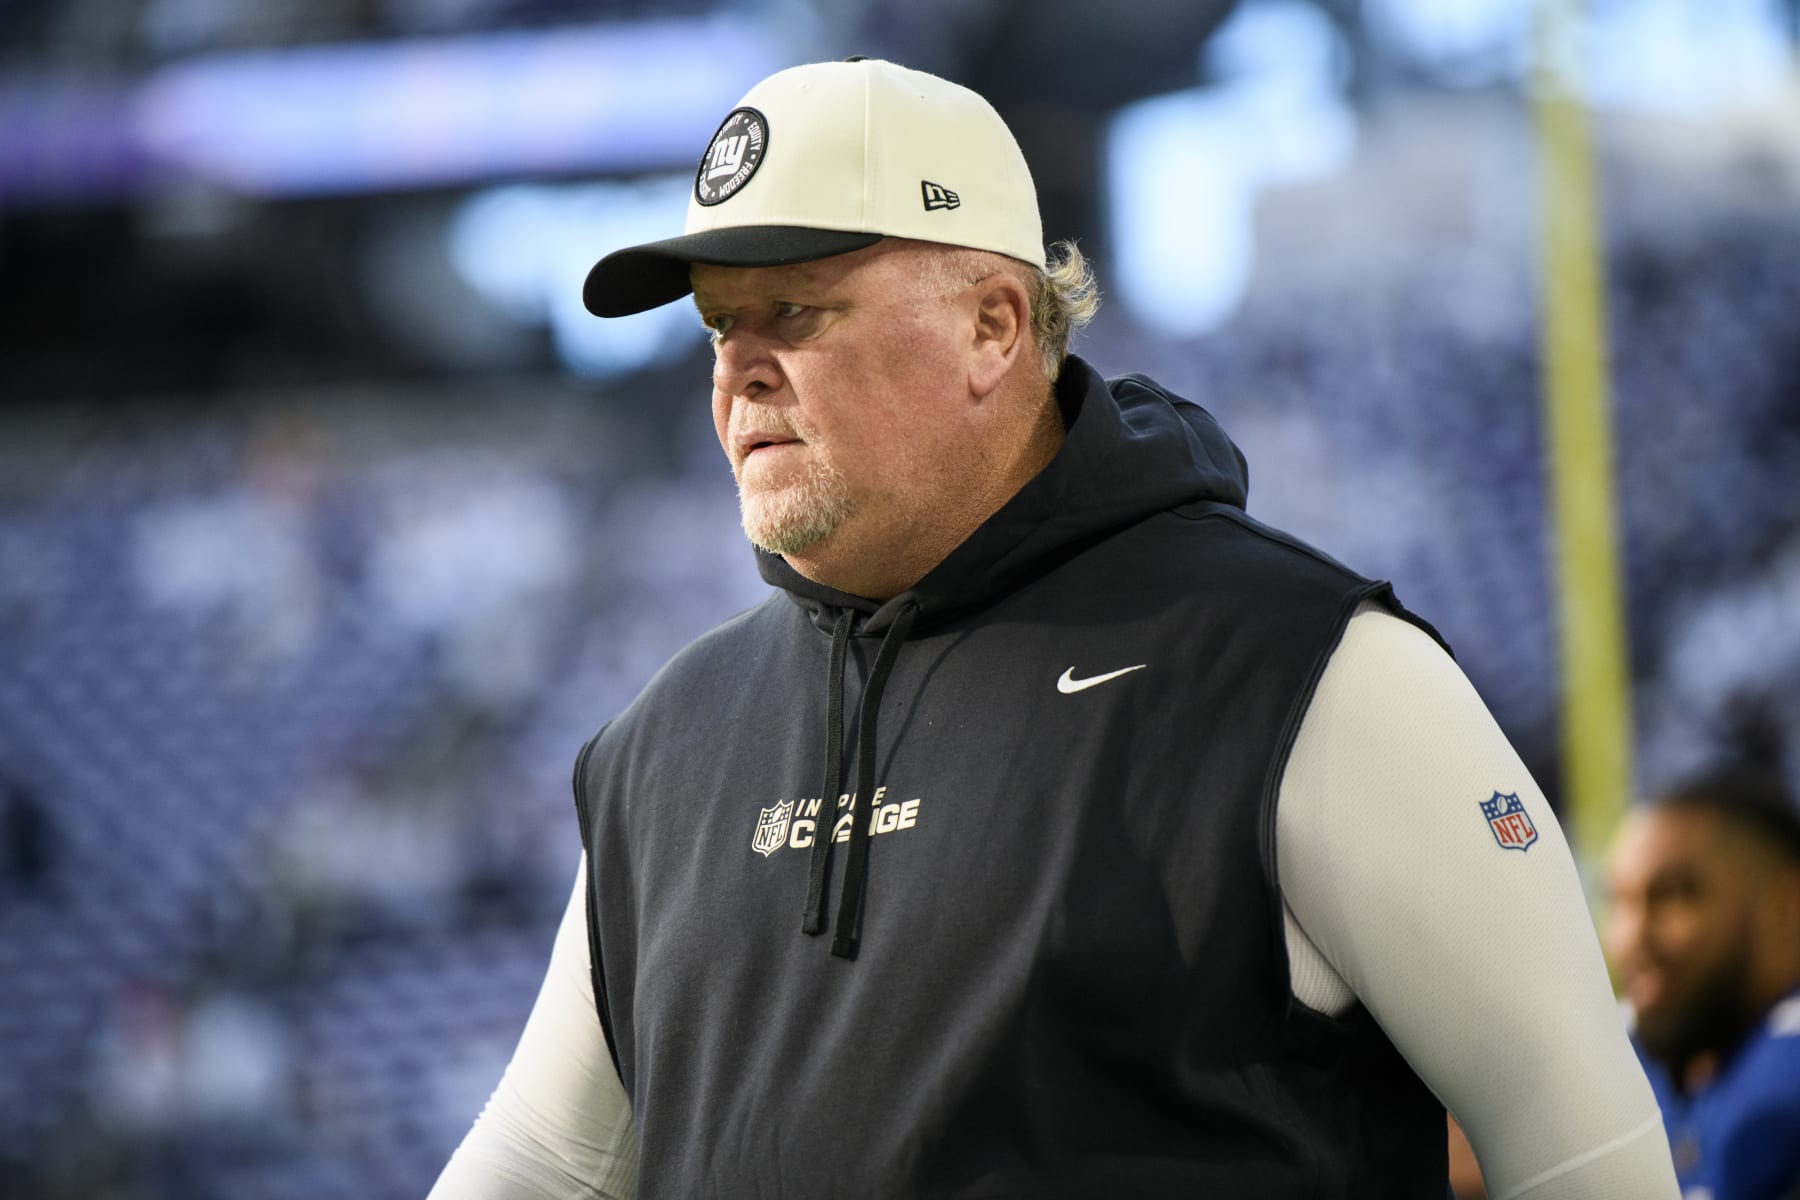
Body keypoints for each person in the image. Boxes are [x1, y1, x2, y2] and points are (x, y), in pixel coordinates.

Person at [429, 57, 1678, 1198]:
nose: (737, 368)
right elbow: (543, 1162)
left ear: (992, 326)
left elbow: (1584, 1155)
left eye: (796, 312)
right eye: (718, 323)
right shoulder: (665, 746)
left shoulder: (1299, 669)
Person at [1605, 755, 1800, 1199]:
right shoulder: (1624, 1046)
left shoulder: (1782, 1083)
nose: (1631, 937)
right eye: (1619, 901)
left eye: (1674, 895)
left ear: (1787, 904)